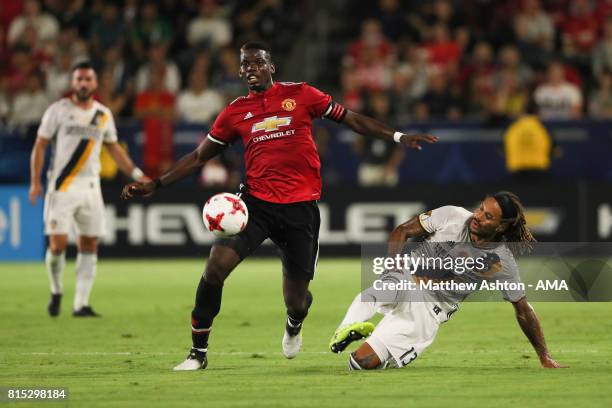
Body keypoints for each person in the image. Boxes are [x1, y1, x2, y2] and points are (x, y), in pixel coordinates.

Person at [121, 41, 437, 371]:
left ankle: (294, 323)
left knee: (296, 300)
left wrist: (398, 137)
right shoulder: (234, 112)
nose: (250, 69)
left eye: (257, 63)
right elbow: (200, 157)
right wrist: (155, 184)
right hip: (255, 205)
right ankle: (197, 354)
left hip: (300, 210)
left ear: (271, 66)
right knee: (215, 269)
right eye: (244, 65)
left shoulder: (302, 94)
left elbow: (351, 119)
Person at [329, 191, 565, 370]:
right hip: (408, 278)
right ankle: (344, 330)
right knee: (384, 288)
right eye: (481, 209)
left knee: (361, 363)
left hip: (429, 313)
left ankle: (384, 352)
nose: (478, 216)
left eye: (488, 216)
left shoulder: (501, 261)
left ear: (501, 226)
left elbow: (522, 309)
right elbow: (403, 231)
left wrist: (543, 355)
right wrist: (392, 261)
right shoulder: (452, 215)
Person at [29, 61, 149, 318]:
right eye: (79, 79)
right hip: (61, 187)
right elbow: (40, 145)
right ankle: (56, 290)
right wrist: (35, 182)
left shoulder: (103, 114)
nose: (83, 83)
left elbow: (114, 149)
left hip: (91, 188)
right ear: (73, 83)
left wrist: (138, 175)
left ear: (95, 84)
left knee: (89, 243)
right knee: (58, 244)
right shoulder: (58, 110)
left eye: (88, 79)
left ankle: (80, 304)